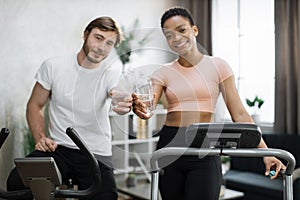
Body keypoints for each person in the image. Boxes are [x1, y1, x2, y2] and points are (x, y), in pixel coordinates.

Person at [132, 7, 286, 200]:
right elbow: (148, 107)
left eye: (182, 30)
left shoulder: (218, 66)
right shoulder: (162, 72)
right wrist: (141, 109)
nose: (177, 38)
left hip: (205, 144)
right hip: (170, 146)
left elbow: (239, 113)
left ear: (194, 30)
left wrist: (265, 152)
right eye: (169, 35)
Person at [7, 16, 132, 200]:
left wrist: (123, 103)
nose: (102, 47)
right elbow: (35, 105)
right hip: (58, 149)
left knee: (106, 196)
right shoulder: (54, 66)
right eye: (98, 38)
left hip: (95, 153)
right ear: (85, 34)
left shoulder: (112, 73)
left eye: (109, 43)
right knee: (16, 181)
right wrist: (40, 137)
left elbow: (117, 95)